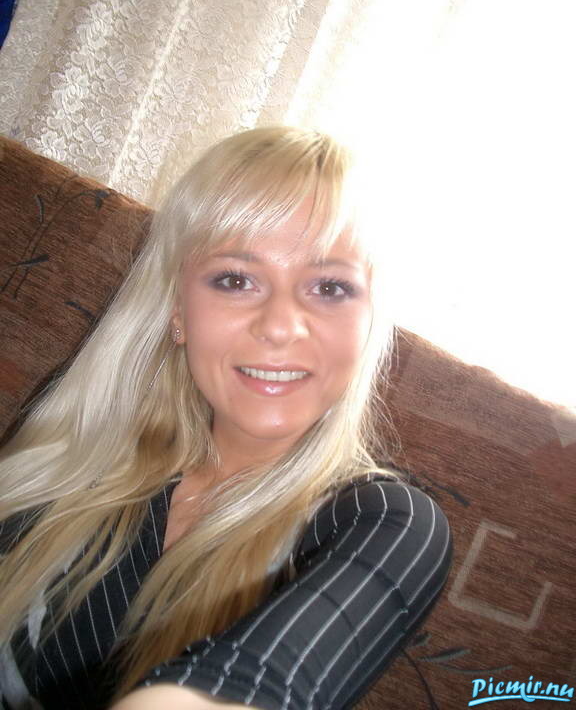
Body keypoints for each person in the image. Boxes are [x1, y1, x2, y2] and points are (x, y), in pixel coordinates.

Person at [0, 126, 452, 710]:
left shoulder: (388, 524)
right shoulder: (74, 446)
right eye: (235, 280)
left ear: (369, 324)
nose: (280, 326)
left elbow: (264, 683)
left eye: (330, 287)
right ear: (177, 310)